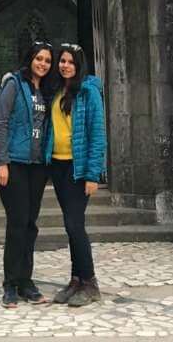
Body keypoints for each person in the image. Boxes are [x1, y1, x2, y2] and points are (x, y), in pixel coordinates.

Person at [0, 42, 53, 308]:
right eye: (39, 58)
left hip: (37, 166)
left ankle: (26, 281)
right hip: (13, 162)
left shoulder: (47, 90)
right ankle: (10, 284)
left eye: (48, 60)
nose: (43, 64)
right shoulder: (14, 83)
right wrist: (2, 162)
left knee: (30, 223)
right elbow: (0, 121)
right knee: (17, 223)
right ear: (30, 59)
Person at [46, 43, 107, 307]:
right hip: (58, 167)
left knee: (75, 225)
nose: (65, 65)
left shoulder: (89, 92)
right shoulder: (58, 90)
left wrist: (93, 175)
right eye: (62, 61)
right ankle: (75, 279)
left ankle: (90, 282)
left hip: (78, 168)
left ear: (79, 65)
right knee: (70, 225)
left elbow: (97, 134)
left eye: (70, 62)